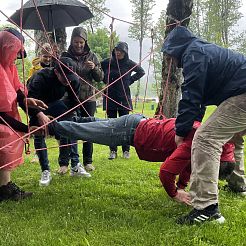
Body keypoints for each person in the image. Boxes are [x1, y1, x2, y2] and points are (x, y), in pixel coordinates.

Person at [47, 114, 235, 204]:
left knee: (92, 126)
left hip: (136, 124)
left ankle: (71, 120)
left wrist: (182, 186)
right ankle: (49, 126)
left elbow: (188, 165)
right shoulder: (196, 144)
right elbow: (166, 172)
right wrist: (175, 194)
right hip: (129, 130)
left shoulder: (213, 143)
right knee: (86, 132)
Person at [161, 26, 246, 224]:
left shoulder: (194, 53)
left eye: (169, 54)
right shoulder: (202, 50)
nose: (170, 60)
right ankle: (238, 184)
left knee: (206, 139)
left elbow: (190, 96)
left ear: (175, 48)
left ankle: (206, 208)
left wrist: (181, 131)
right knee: (235, 137)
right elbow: (198, 99)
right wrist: (191, 122)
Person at [27, 57, 91, 187]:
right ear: (56, 72)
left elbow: (74, 102)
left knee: (71, 125)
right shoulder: (41, 78)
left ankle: (75, 165)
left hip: (56, 103)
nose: (68, 80)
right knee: (39, 131)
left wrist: (70, 116)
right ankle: (45, 170)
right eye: (64, 77)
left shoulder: (73, 80)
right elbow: (28, 101)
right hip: (35, 103)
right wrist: (40, 114)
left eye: (70, 76)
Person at [0, 27, 47, 202]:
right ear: (6, 48)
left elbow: (18, 91)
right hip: (3, 118)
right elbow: (1, 115)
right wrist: (27, 128)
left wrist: (29, 102)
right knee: (5, 139)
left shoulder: (8, 66)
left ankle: (5, 186)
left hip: (6, 116)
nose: (17, 56)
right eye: (15, 51)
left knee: (8, 140)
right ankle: (4, 189)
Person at [61, 26, 104, 172]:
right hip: (69, 98)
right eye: (76, 42)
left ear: (85, 42)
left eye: (81, 42)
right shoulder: (65, 56)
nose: (78, 45)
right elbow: (58, 74)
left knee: (88, 129)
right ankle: (64, 164)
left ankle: (88, 161)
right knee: (67, 128)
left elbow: (100, 78)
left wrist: (94, 69)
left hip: (88, 98)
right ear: (71, 41)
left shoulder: (93, 56)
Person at [101, 42, 145, 160]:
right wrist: (104, 79)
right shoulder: (107, 62)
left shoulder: (129, 64)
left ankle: (126, 150)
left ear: (125, 52)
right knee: (112, 124)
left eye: (121, 50)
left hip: (123, 97)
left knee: (126, 125)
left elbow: (141, 71)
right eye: (116, 50)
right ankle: (113, 151)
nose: (118, 52)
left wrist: (129, 80)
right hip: (110, 96)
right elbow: (98, 71)